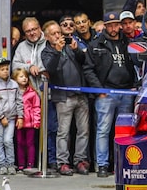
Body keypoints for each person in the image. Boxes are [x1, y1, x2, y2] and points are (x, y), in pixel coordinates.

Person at [83, 11, 138, 178]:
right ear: (105, 26)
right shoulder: (96, 44)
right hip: (106, 93)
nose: (113, 28)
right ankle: (102, 165)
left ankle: (122, 163)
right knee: (103, 130)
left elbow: (137, 66)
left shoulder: (127, 42)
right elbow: (88, 69)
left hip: (126, 91)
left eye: (116, 25)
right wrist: (99, 89)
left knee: (125, 131)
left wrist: (134, 86)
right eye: (110, 25)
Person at [41, 20, 91, 176]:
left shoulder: (69, 46)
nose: (58, 36)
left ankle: (80, 161)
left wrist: (76, 51)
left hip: (80, 94)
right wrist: (57, 50)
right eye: (54, 33)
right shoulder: (47, 52)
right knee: (63, 132)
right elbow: (50, 69)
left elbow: (84, 62)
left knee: (83, 131)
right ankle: (62, 162)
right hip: (63, 97)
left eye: (59, 32)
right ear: (47, 37)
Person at [12, 16, 57, 167]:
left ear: (40, 28)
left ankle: (50, 161)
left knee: (51, 129)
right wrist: (28, 68)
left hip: (49, 95)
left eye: (34, 29)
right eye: (28, 31)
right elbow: (14, 67)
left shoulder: (49, 41)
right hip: (28, 99)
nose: (32, 33)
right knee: (28, 135)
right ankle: (30, 164)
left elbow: (56, 62)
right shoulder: (21, 47)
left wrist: (42, 69)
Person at [0, 57, 24, 175]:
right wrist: (1, 116)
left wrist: (20, 117)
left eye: (7, 69)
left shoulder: (14, 84)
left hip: (12, 118)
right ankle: (2, 165)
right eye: (2, 69)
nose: (5, 71)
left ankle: (10, 164)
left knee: (8, 140)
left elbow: (19, 101)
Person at [13, 67, 41, 171]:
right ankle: (21, 164)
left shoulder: (32, 93)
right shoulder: (14, 92)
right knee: (20, 143)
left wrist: (36, 121)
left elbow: (36, 108)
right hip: (18, 122)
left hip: (30, 123)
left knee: (30, 143)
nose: (24, 78)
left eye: (25, 76)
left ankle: (30, 163)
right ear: (15, 79)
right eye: (21, 76)